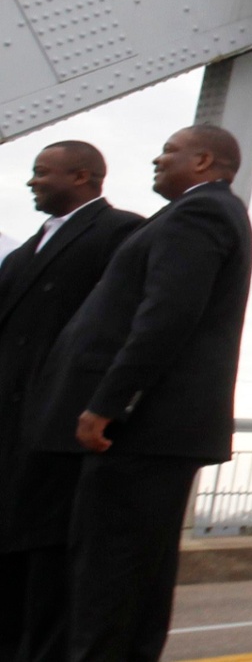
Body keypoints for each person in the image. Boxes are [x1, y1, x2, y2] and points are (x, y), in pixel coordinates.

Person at [27, 125, 252, 662]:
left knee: (110, 578)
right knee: (134, 579)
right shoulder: (202, 213)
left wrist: (108, 403)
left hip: (143, 429)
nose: (158, 159)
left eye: (170, 151)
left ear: (203, 161)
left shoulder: (199, 213)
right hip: (157, 431)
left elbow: (167, 315)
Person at [0, 143, 143, 662]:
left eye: (42, 172)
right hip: (12, 424)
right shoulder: (25, 251)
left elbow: (123, 323)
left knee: (48, 555)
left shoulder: (121, 232)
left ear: (81, 176)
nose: (31, 181)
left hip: (62, 424)